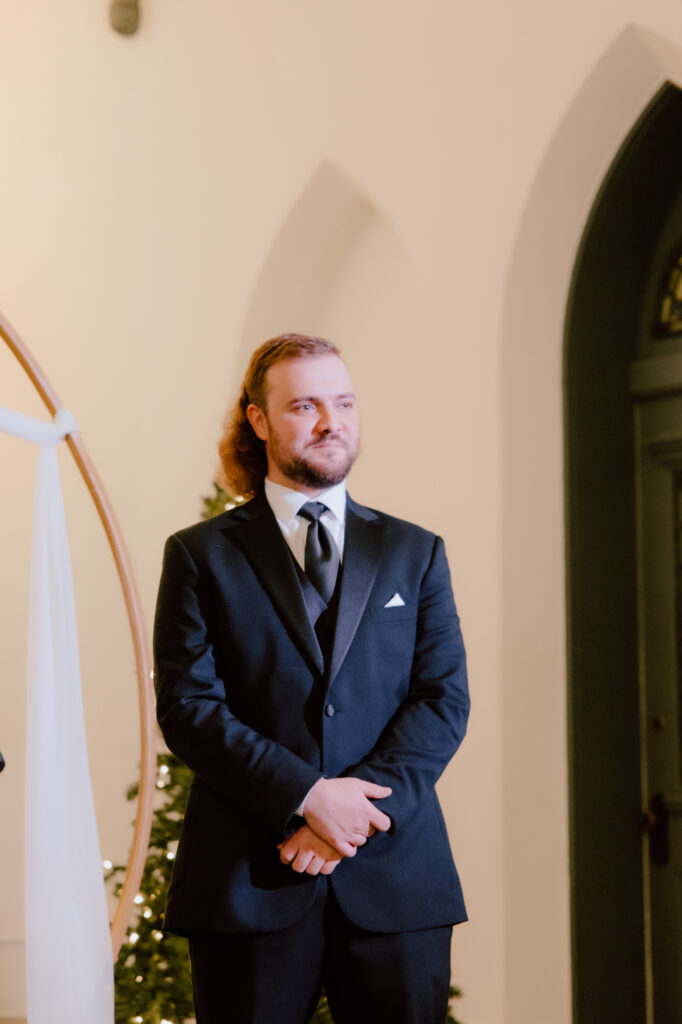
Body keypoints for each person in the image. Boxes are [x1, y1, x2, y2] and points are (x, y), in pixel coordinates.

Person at [153, 333, 469, 1024]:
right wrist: (306, 796)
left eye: (344, 402)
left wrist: (346, 819)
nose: (332, 421)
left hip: (395, 880)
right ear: (259, 421)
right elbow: (188, 708)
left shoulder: (414, 552)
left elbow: (440, 699)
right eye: (305, 405)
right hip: (248, 880)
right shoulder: (200, 556)